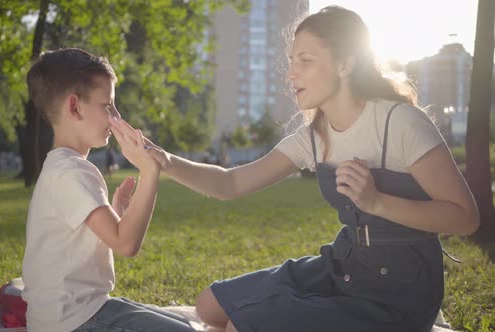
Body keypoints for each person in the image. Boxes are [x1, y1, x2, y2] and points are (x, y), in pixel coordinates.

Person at [109, 6, 480, 332]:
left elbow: (465, 218)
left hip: (398, 292)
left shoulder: (399, 123)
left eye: (305, 60)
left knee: (242, 325)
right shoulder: (314, 135)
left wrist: (377, 201)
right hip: (342, 267)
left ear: (346, 63)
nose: (291, 74)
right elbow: (231, 182)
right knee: (208, 305)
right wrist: (165, 160)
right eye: (291, 61)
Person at [21, 48, 196, 332]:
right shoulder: (72, 172)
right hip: (72, 321)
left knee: (182, 322)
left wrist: (117, 212)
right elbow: (126, 244)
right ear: (75, 107)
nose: (116, 118)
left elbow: (95, 239)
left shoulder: (62, 167)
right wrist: (150, 172)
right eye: (108, 106)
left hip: (68, 313)